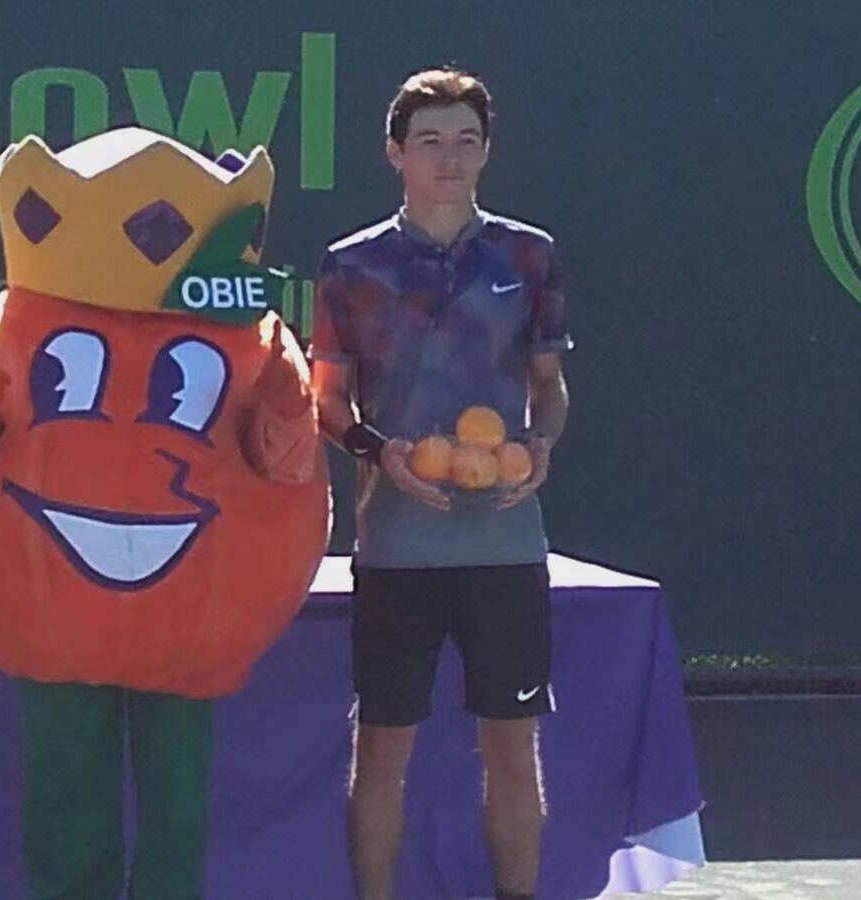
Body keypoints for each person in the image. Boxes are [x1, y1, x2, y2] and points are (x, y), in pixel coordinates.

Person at [308, 67, 572, 900]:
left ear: (486, 151)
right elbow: (325, 395)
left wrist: (541, 445)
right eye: (430, 142)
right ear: (396, 153)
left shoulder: (529, 254)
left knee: (511, 745)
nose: (449, 159)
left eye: (466, 141)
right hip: (395, 543)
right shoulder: (352, 264)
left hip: (505, 538)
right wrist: (375, 448)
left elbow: (550, 384)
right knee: (382, 747)